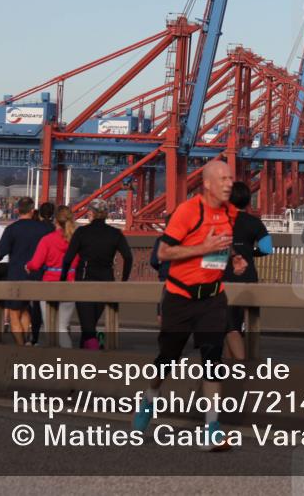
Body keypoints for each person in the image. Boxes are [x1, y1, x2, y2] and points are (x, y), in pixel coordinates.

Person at [132, 160, 247, 450]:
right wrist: (203, 248)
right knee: (168, 358)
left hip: (212, 297)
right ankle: (148, 399)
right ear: (207, 183)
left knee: (212, 361)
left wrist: (235, 258)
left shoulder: (230, 212)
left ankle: (212, 429)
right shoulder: (188, 211)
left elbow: (225, 240)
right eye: (222, 178)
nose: (228, 183)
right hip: (179, 298)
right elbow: (164, 251)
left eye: (230, 178)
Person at [61, 197, 133, 349]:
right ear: (106, 214)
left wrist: (63, 277)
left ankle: (94, 355)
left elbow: (68, 258)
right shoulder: (115, 233)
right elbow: (128, 257)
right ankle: (88, 351)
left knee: (87, 326)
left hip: (85, 280)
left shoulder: (82, 232)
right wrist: (123, 281)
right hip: (107, 280)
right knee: (90, 324)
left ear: (91, 213)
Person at [222, 181, 272, 361]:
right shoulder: (255, 223)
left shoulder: (222, 220)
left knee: (229, 326)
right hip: (249, 276)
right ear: (248, 201)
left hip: (225, 276)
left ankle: (241, 368)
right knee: (242, 325)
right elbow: (267, 248)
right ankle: (232, 372)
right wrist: (250, 253)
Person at [0, 197, 53, 346]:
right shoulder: (43, 229)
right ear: (32, 210)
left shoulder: (11, 229)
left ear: (17, 210)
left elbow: (0, 253)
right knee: (27, 308)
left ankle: (21, 347)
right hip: (38, 275)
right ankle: (28, 341)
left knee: (15, 312)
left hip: (16, 275)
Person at [27, 205, 79, 349]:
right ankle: (67, 362)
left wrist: (28, 266)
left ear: (55, 220)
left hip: (49, 283)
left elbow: (36, 264)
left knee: (50, 327)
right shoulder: (76, 239)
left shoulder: (47, 239)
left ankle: (52, 363)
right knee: (62, 327)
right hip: (70, 283)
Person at [28, 202, 57, 343]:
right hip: (53, 270)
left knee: (36, 307)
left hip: (37, 269)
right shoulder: (54, 230)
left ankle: (34, 336)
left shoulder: (34, 229)